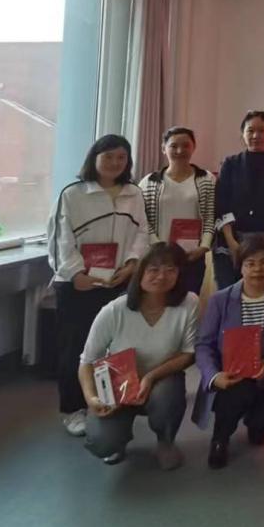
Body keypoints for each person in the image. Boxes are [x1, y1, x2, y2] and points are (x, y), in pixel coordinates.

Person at [47, 134, 150, 437]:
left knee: (114, 346)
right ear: (94, 158)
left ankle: (111, 401)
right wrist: (75, 274)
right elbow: (59, 239)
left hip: (117, 281)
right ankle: (73, 409)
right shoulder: (73, 194)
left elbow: (142, 233)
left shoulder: (133, 193)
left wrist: (132, 264)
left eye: (121, 157)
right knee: (76, 347)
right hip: (78, 285)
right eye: (108, 156)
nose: (115, 163)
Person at [78, 244, 197, 470]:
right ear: (140, 272)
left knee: (168, 396)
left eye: (170, 269)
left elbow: (189, 353)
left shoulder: (189, 303)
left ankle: (165, 442)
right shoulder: (114, 310)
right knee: (102, 443)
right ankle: (119, 440)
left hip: (162, 380)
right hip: (118, 385)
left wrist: (150, 377)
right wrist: (91, 398)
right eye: (153, 269)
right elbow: (87, 361)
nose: (161, 276)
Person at [194, 237, 264, 469]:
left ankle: (255, 422)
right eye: (250, 263)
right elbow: (203, 344)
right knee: (236, 395)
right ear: (240, 267)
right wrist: (214, 376)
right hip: (230, 373)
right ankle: (220, 439)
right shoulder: (220, 300)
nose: (257, 269)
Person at [215, 111, 264, 290]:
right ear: (243, 134)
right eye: (250, 131)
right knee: (228, 291)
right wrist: (232, 242)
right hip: (230, 240)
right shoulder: (230, 163)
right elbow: (221, 203)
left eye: (261, 130)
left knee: (257, 290)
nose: (256, 135)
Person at [139, 126, 216, 294]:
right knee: (158, 301)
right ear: (163, 148)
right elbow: (143, 220)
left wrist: (204, 246)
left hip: (193, 256)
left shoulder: (206, 179)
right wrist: (158, 246)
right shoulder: (149, 182)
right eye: (174, 146)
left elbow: (210, 216)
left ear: (193, 147)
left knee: (188, 302)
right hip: (158, 256)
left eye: (186, 145)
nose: (180, 151)